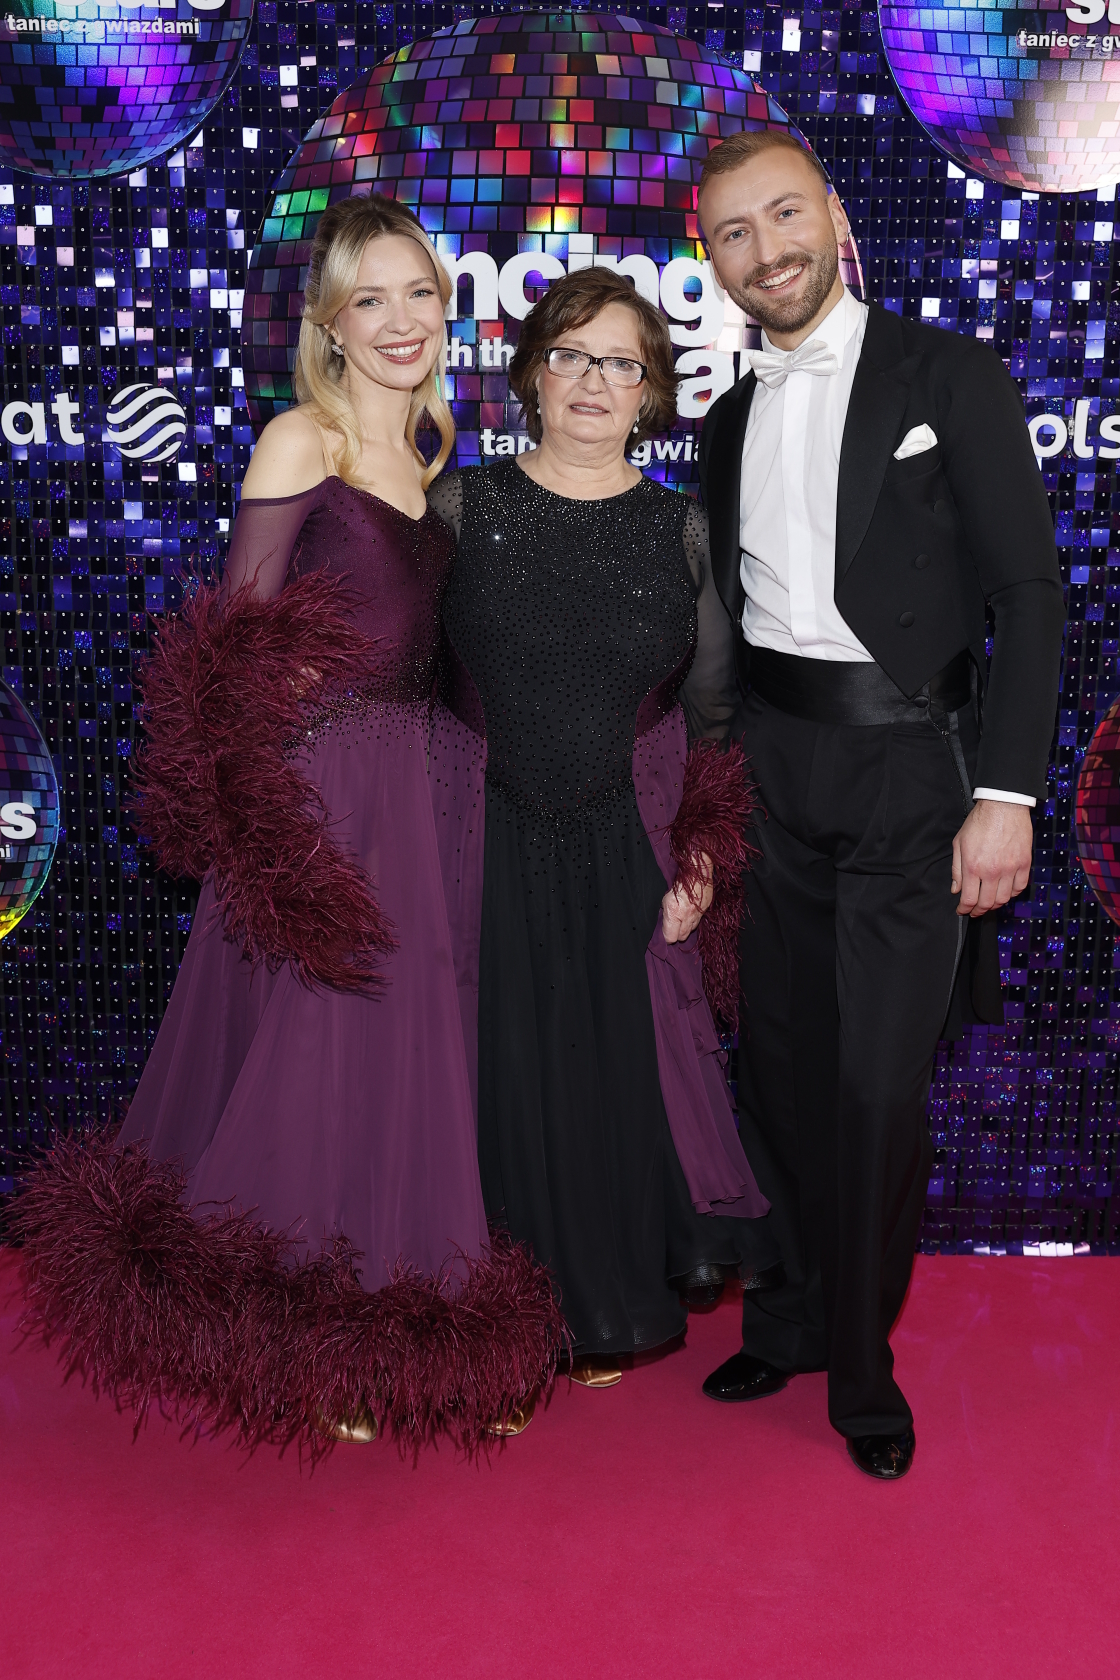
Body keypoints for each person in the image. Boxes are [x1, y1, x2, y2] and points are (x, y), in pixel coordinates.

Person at [16, 194, 562, 1451]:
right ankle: (310, 1337)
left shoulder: (431, 458)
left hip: (428, 787)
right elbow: (231, 651)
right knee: (324, 1054)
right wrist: (275, 834)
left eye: (419, 293)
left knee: (408, 1054)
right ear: (327, 322)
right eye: (370, 298)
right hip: (325, 796)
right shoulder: (296, 443)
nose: (400, 320)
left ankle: (393, 1322)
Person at [695, 129, 1065, 1477]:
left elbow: (1030, 595)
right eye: (735, 233)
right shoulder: (725, 420)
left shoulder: (945, 374)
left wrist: (1007, 793)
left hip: (916, 772)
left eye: (784, 214)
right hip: (773, 771)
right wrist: (712, 795)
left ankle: (862, 1371)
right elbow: (725, 628)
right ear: (710, 260)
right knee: (780, 1073)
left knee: (872, 1090)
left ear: (835, 217)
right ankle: (790, 1320)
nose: (768, 249)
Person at [427, 266, 776, 1390]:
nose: (592, 380)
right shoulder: (458, 510)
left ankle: (592, 1306)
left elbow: (714, 713)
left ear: (651, 392)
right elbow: (402, 684)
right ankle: (492, 1328)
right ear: (530, 373)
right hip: (478, 843)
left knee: (605, 1087)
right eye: (570, 355)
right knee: (491, 1087)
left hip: (625, 846)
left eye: (619, 362)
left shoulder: (683, 532)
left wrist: (705, 853)